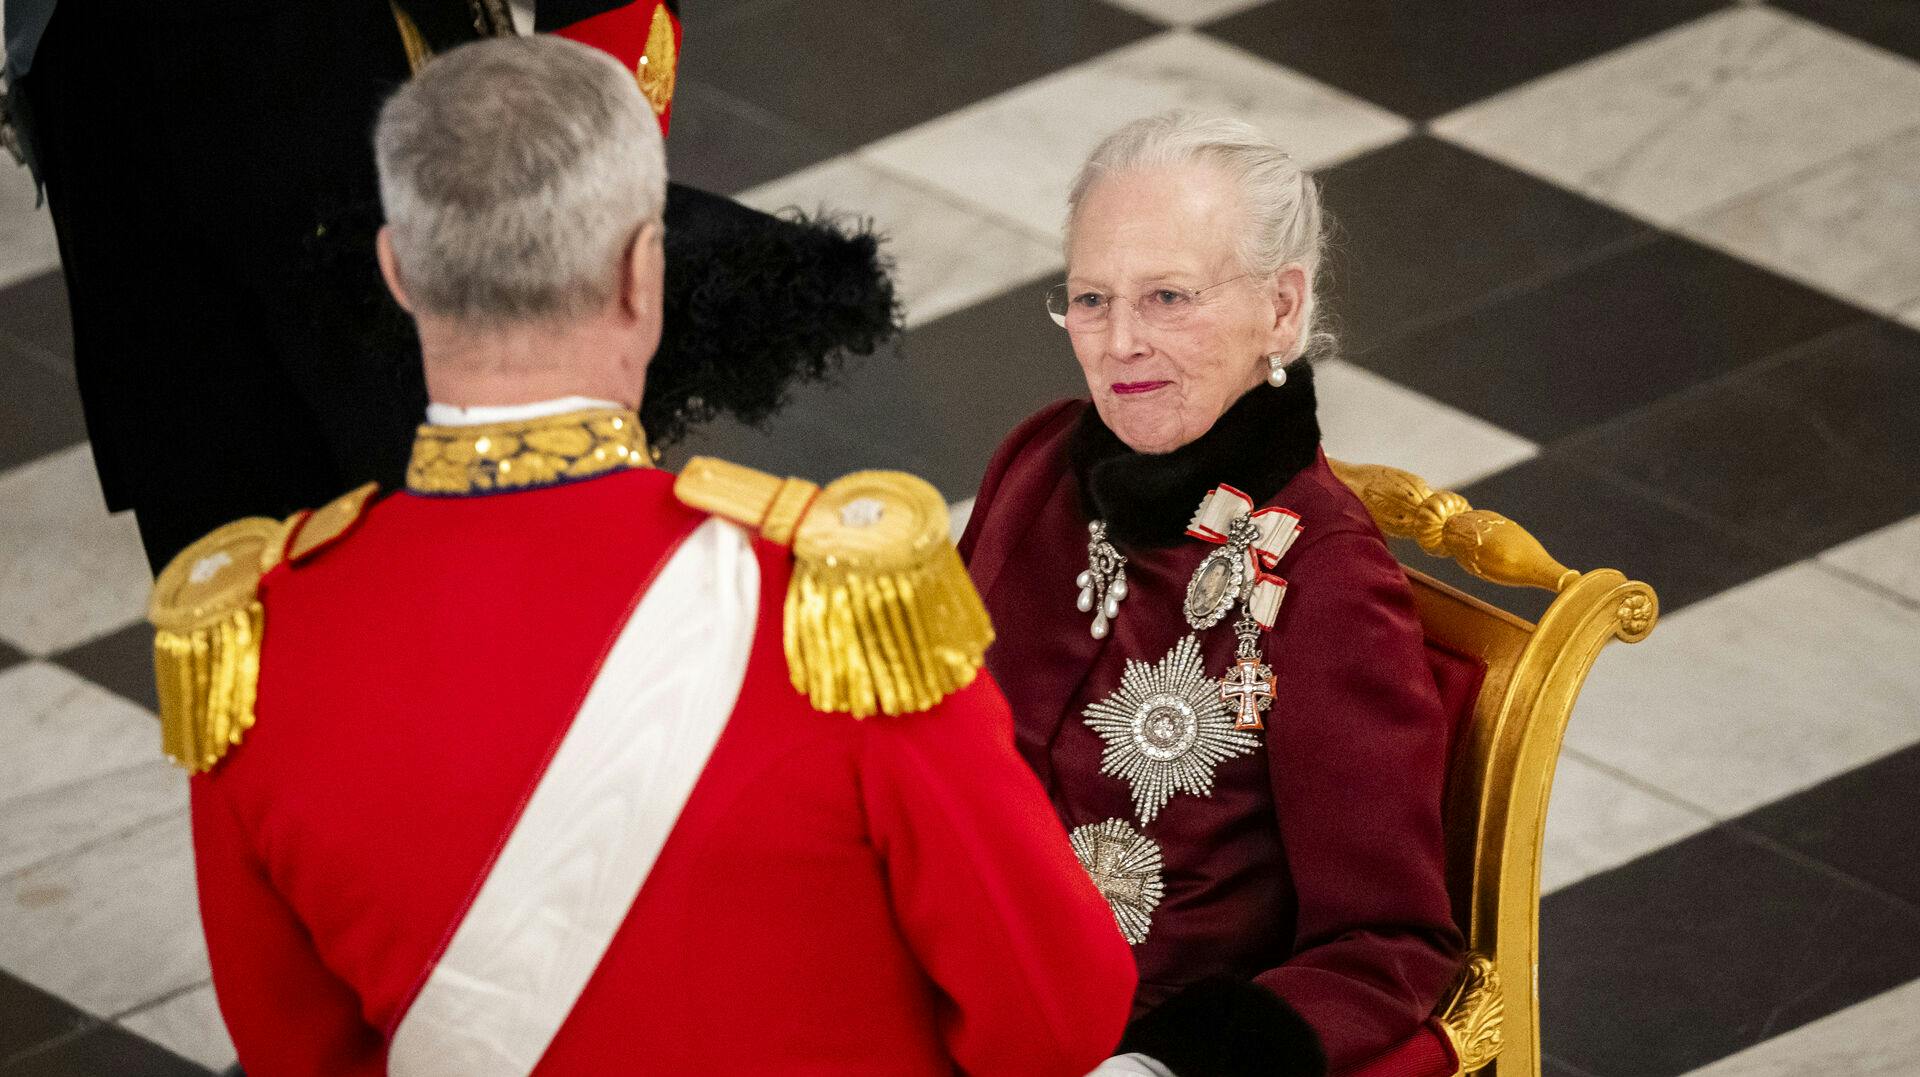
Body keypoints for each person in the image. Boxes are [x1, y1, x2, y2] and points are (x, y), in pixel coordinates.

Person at [151, 37, 1134, 1075]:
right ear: (642, 269)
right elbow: (1056, 1018)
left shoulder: (254, 643)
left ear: (397, 271)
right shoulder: (836, 612)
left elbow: (291, 1051)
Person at [5, 0, 896, 572]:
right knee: (245, 613)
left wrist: (590, 160)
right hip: (116, 131)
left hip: (355, 105)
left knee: (503, 592)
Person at [958, 113, 1465, 1077]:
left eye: (1169, 297)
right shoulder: (1039, 464)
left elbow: (1388, 946)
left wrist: (1161, 1070)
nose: (1120, 343)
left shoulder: (1326, 580)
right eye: (1092, 299)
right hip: (949, 991)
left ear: (1281, 308)